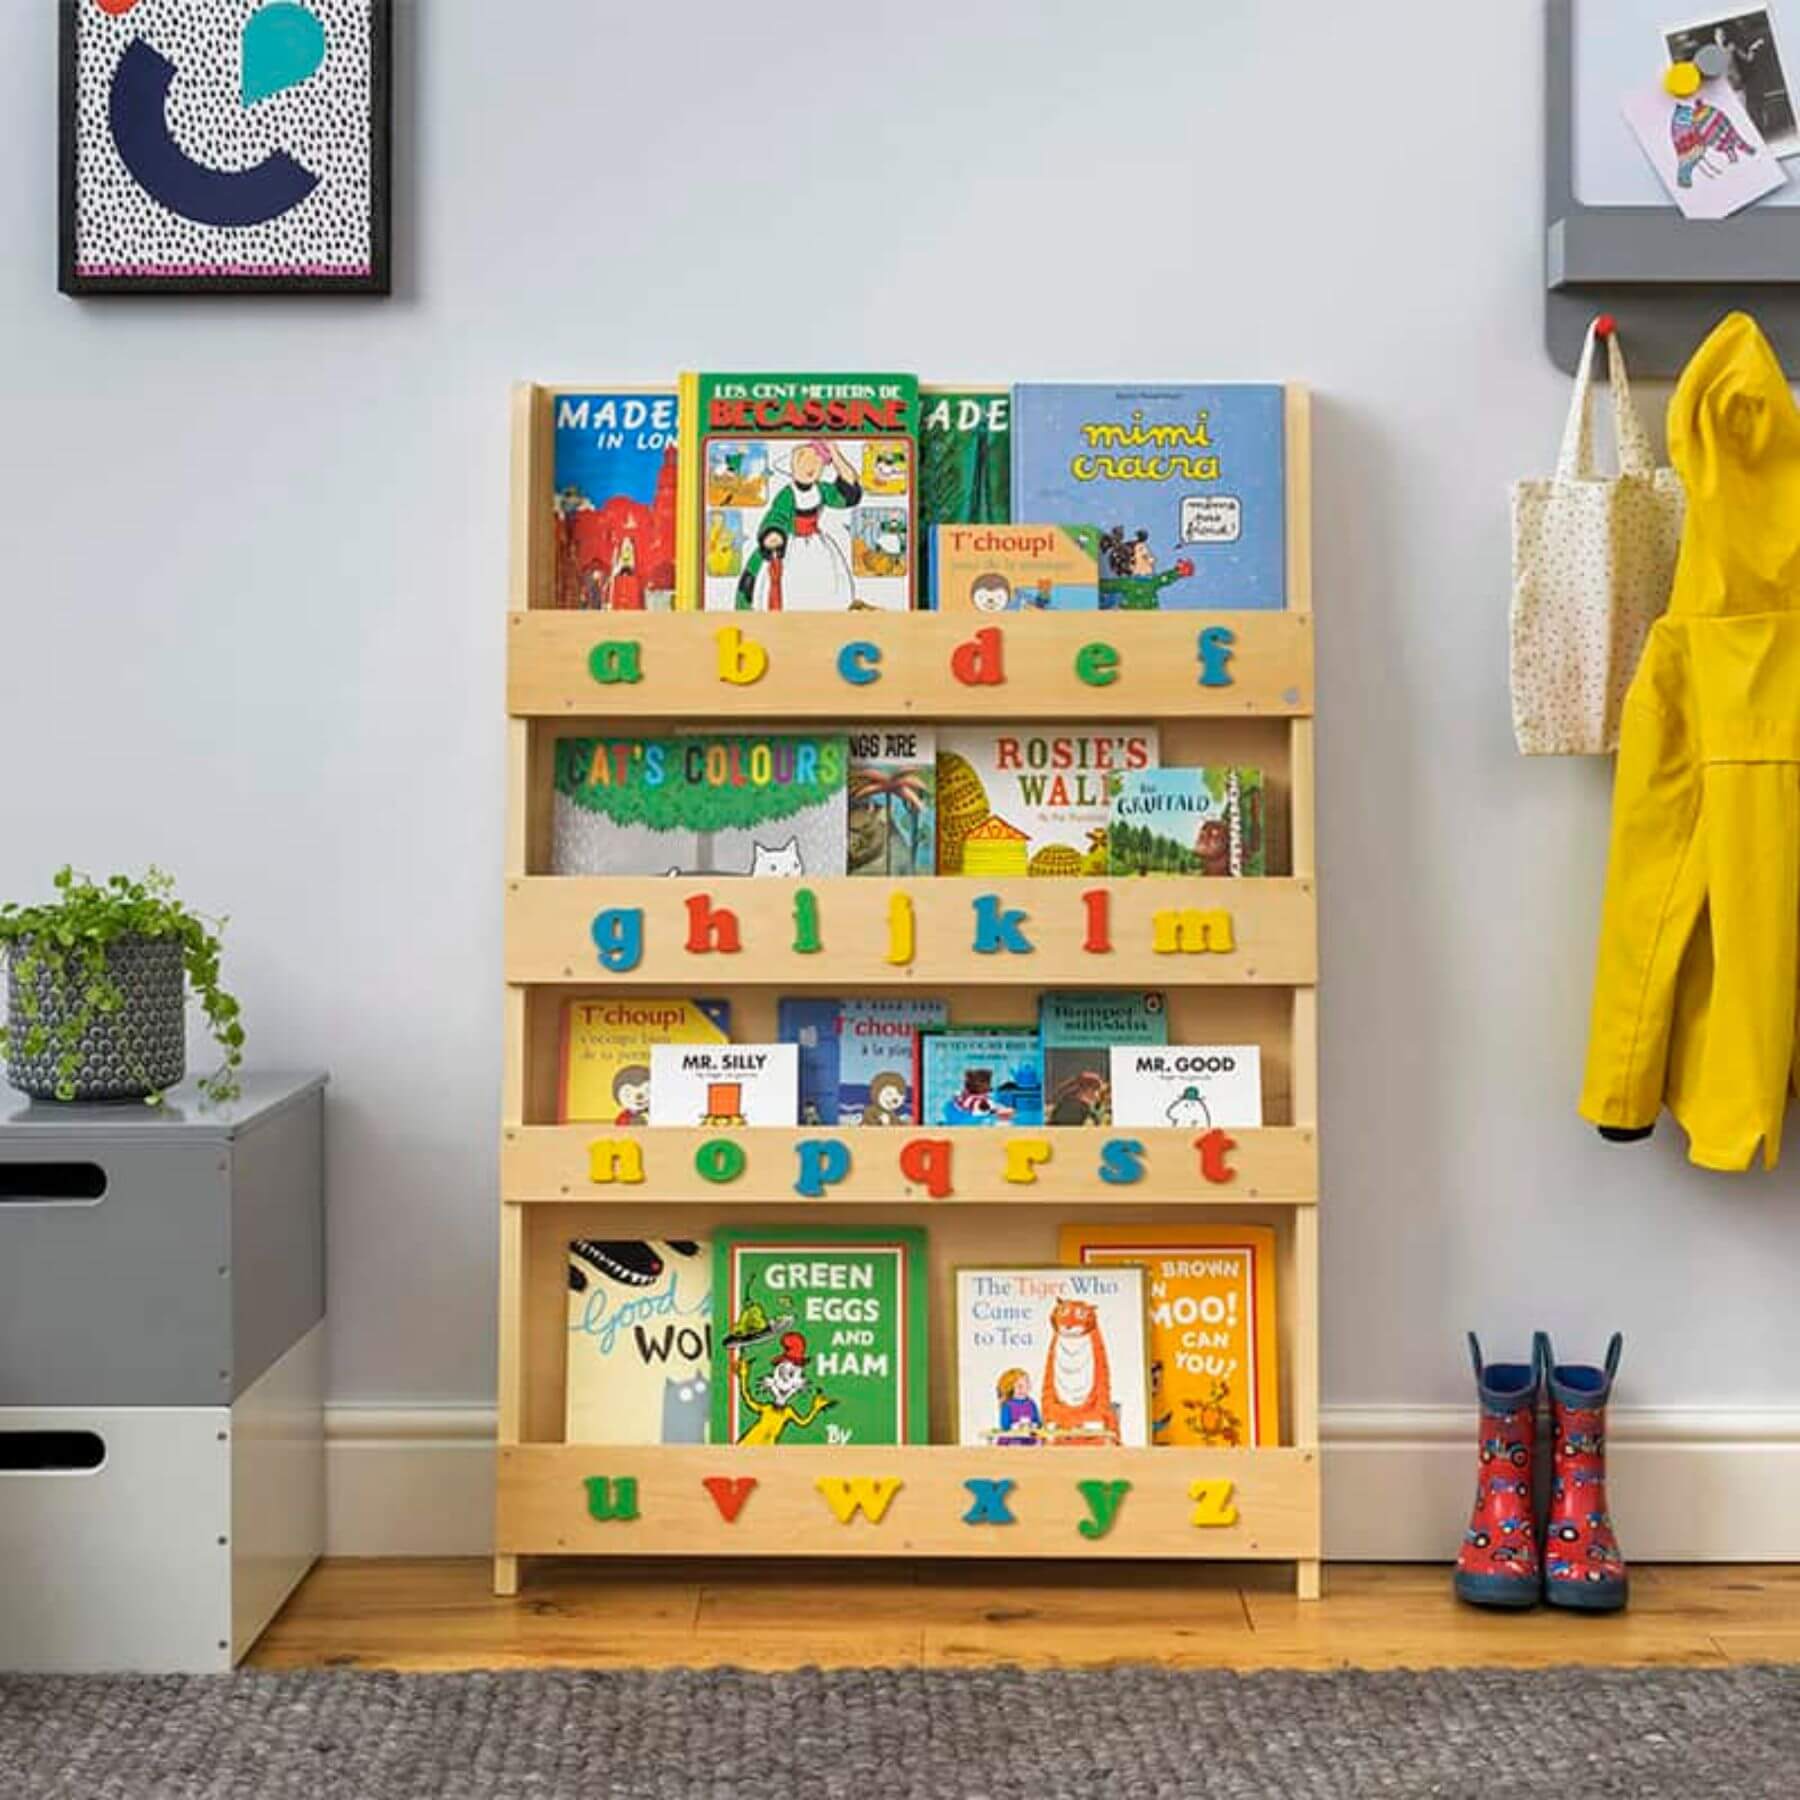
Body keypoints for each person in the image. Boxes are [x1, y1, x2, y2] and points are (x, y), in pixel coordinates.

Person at [736, 440, 863, 610]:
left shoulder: (821, 490)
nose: (811, 467)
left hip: (817, 544)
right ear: (793, 466)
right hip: (789, 543)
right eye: (804, 461)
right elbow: (777, 515)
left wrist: (835, 454)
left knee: (827, 583)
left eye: (817, 463)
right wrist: (774, 533)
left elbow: (847, 493)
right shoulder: (787, 494)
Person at [994, 1369, 1044, 1444]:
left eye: (1026, 1383)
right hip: (1010, 1442)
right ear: (1011, 1387)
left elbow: (1038, 1423)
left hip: (1029, 1442)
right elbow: (1005, 1426)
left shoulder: (1031, 1403)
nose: (1024, 1388)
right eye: (1019, 1386)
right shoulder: (1007, 1405)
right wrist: (1019, 1426)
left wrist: (1033, 1426)